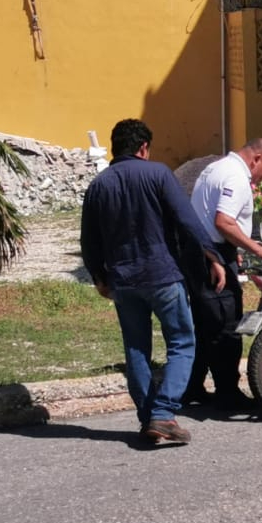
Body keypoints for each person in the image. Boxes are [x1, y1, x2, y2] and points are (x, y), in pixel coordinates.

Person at [80, 119, 226, 444]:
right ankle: (163, 414)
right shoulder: (158, 174)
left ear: (115, 146)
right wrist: (213, 257)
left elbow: (88, 240)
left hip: (123, 282)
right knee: (182, 343)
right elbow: (186, 219)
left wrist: (99, 277)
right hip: (163, 276)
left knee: (136, 349)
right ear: (144, 147)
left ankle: (148, 418)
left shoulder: (98, 185)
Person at [187, 138, 262, 408]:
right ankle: (227, 392)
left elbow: (210, 218)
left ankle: (192, 387)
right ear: (256, 159)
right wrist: (258, 249)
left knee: (205, 326)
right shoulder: (237, 178)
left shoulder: (215, 168)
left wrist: (236, 247)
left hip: (203, 251)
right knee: (225, 326)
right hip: (212, 257)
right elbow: (223, 221)